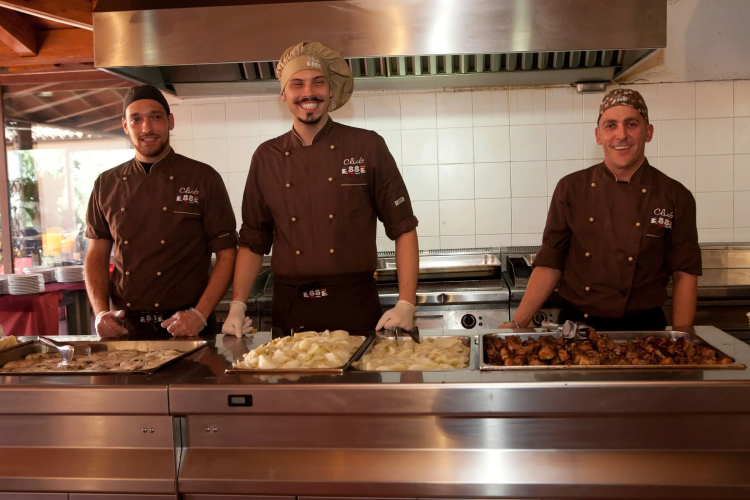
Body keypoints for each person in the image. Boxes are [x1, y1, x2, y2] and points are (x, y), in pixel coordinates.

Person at [222, 41, 419, 337]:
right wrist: (237, 305)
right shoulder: (266, 157)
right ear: (283, 93)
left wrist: (406, 303)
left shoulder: (367, 146)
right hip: (291, 307)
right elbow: (253, 240)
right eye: (297, 84)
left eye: (318, 82)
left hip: (355, 303)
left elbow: (403, 227)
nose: (308, 92)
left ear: (331, 90)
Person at [502, 89, 701, 331]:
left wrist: (683, 336)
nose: (621, 135)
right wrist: (517, 323)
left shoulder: (675, 195)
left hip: (645, 330)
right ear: (598, 135)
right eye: (610, 125)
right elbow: (550, 263)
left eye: (631, 124)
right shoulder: (571, 188)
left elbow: (685, 272)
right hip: (576, 328)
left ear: (648, 132)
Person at [85, 85, 247, 338]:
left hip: (189, 325)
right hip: (126, 327)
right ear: (125, 125)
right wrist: (100, 313)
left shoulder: (203, 178)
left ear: (170, 121)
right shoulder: (106, 184)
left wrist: (200, 314)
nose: (147, 128)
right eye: (136, 119)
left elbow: (227, 254)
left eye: (156, 117)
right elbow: (96, 256)